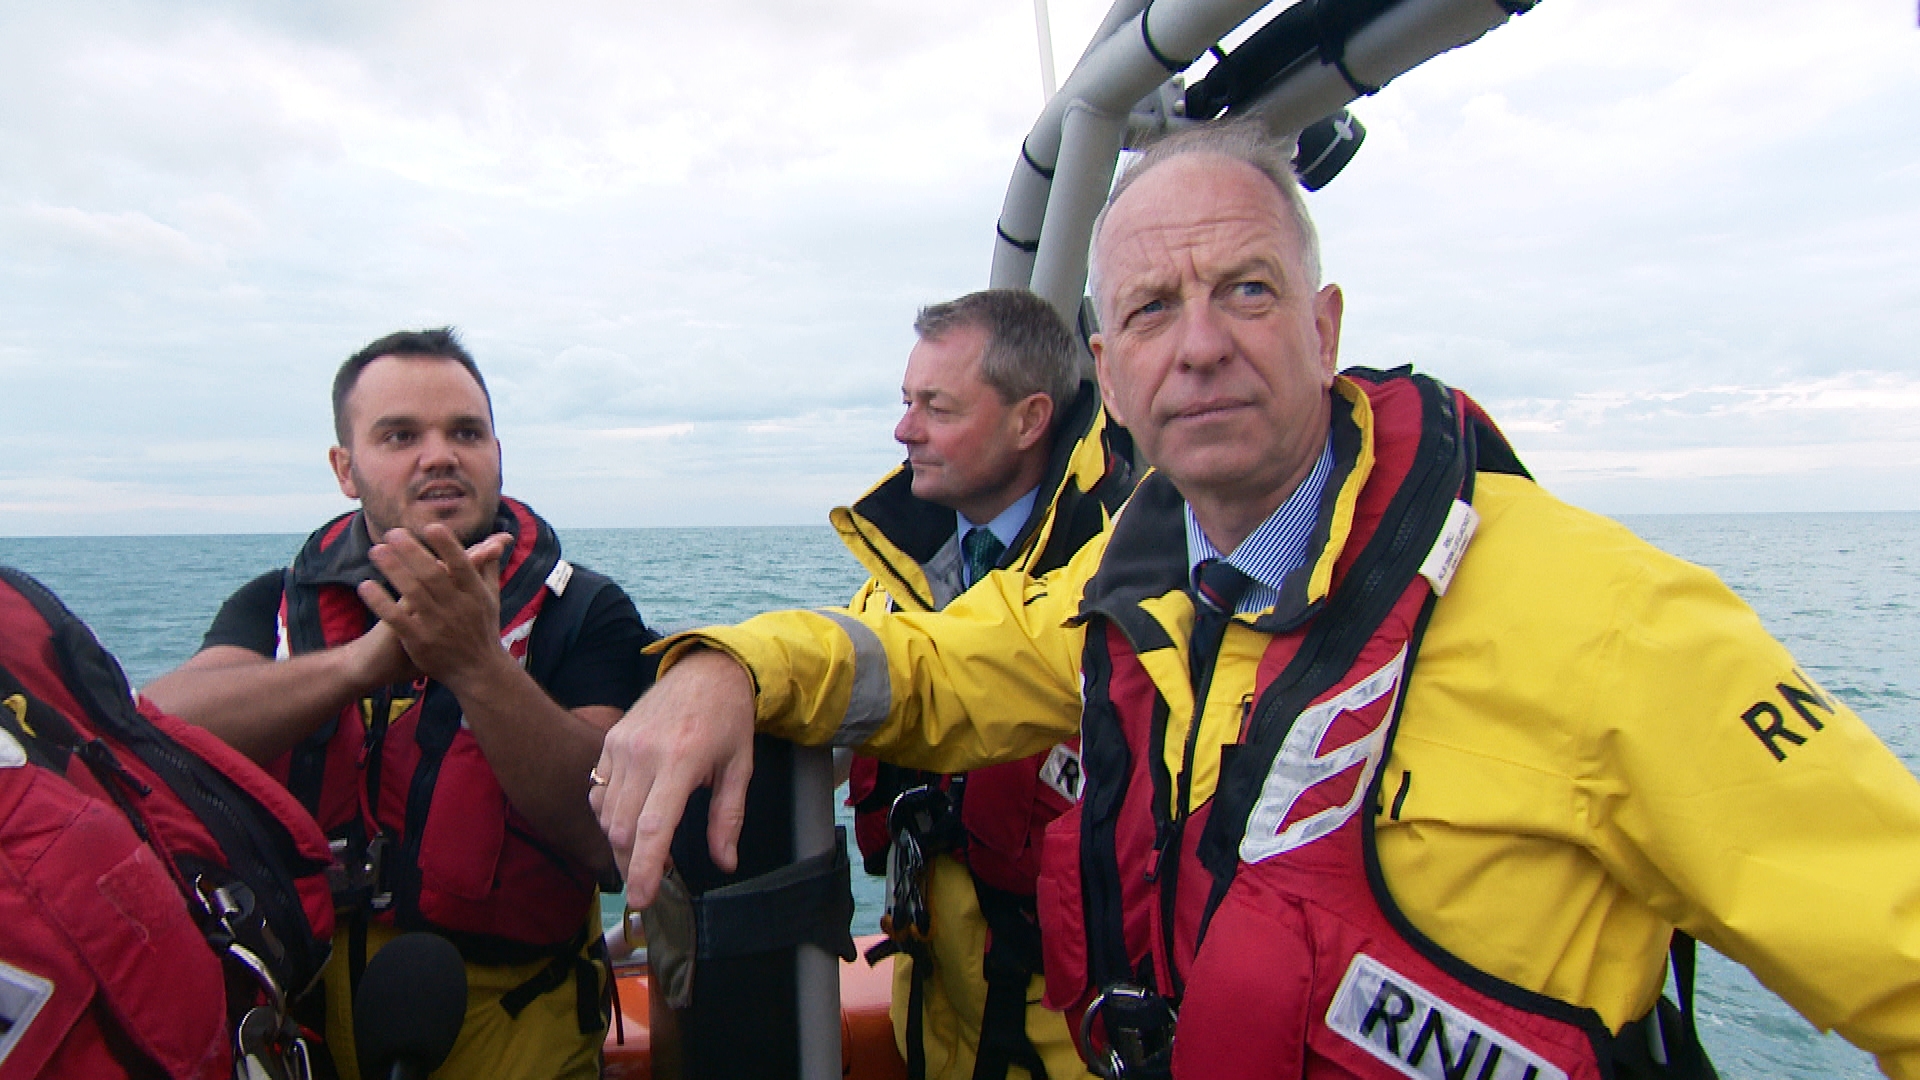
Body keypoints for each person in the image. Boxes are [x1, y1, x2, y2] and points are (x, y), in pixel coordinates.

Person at [590, 123, 1920, 1080]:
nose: (1203, 342)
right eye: (1156, 308)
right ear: (1112, 373)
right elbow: (925, 665)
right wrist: (729, 668)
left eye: (1246, 289)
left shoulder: (1612, 622)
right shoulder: (1134, 602)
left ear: (1325, 327)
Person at [146, 328, 657, 1080]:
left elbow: (604, 833)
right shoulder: (278, 607)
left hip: (511, 1040)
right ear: (345, 470)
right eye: (400, 435)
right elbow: (154, 734)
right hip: (294, 1032)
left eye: (465, 432)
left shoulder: (584, 612)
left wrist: (475, 663)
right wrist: (361, 662)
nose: (440, 454)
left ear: (496, 451)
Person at [838, 289, 1131, 1080]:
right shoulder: (894, 585)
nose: (904, 430)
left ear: (1030, 420)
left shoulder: (1125, 579)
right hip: (931, 1032)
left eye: (936, 406)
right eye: (906, 401)